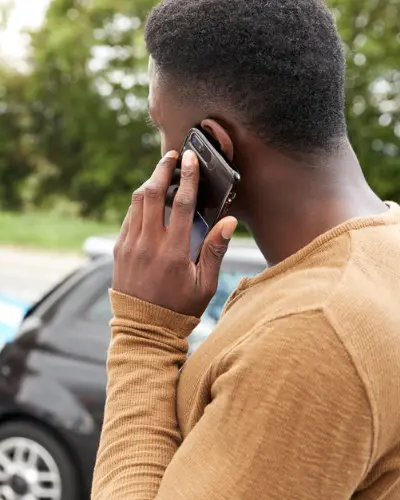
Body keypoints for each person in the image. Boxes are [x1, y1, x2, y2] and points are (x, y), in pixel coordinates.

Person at [92, 1, 400, 499]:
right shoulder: (387, 245)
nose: (160, 149)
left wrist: (143, 332)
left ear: (210, 145)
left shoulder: (313, 329)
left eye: (159, 126)